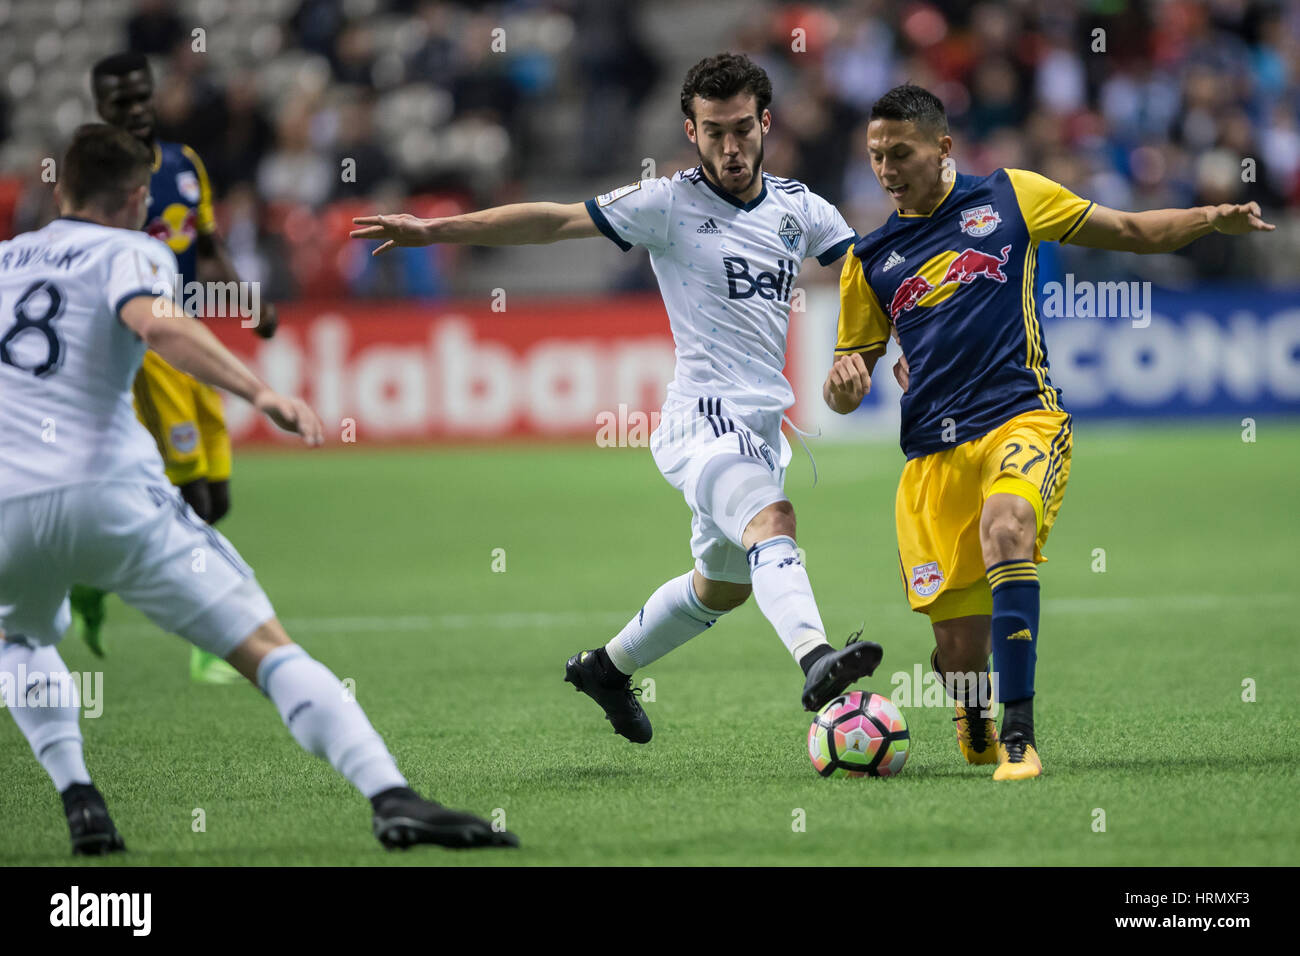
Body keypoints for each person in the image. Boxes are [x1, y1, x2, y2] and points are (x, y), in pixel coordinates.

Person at [0, 124, 517, 854]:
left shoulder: (5, 260)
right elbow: (157, 325)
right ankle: (390, 795)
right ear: (139, 196)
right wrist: (260, 393)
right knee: (266, 650)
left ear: (59, 187)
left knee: (16, 635)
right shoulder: (133, 251)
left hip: (6, 507)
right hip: (110, 492)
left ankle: (81, 800)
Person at [352, 53, 882, 743]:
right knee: (770, 520)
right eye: (714, 130)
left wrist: (864, 353)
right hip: (701, 424)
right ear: (690, 131)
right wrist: (437, 229)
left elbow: (868, 275)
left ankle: (605, 668)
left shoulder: (800, 208)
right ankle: (817, 660)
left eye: (743, 129)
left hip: (760, 430)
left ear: (766, 123)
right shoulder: (667, 203)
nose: (731, 146)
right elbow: (552, 221)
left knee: (722, 586)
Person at [824, 84, 1274, 780]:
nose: (885, 169)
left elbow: (1128, 231)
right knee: (958, 652)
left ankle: (1019, 735)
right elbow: (847, 378)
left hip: (1021, 418)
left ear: (942, 147)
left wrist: (1211, 217)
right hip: (933, 461)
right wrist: (843, 386)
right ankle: (971, 704)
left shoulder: (1012, 197)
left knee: (1008, 530)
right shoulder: (868, 259)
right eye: (876, 155)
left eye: (900, 153)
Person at [74, 51, 278, 684]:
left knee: (214, 494)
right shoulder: (94, 182)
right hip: (142, 351)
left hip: (190, 341)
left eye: (142, 97)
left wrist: (246, 301)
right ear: (100, 107)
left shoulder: (184, 165)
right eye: (120, 102)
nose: (135, 110)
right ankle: (212, 639)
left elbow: (208, 245)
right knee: (188, 493)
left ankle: (87, 576)